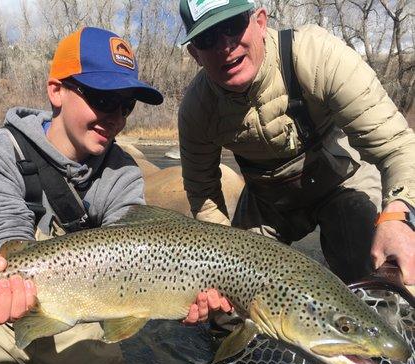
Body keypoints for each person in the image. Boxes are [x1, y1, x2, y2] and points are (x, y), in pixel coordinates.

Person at [0, 26, 231, 364]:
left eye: (126, 106)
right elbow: (3, 225)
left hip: (74, 310)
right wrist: (10, 283)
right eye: (103, 98)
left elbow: (134, 247)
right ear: (56, 90)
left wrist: (177, 295)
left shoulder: (122, 172)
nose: (115, 118)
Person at [177, 0, 415, 295]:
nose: (225, 45)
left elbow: (397, 145)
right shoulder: (197, 110)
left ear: (260, 22)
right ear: (194, 54)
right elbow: (203, 195)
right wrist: (222, 258)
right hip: (267, 202)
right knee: (230, 307)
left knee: (382, 280)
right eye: (207, 38)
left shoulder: (316, 55)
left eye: (232, 26)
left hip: (342, 181)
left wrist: (398, 215)